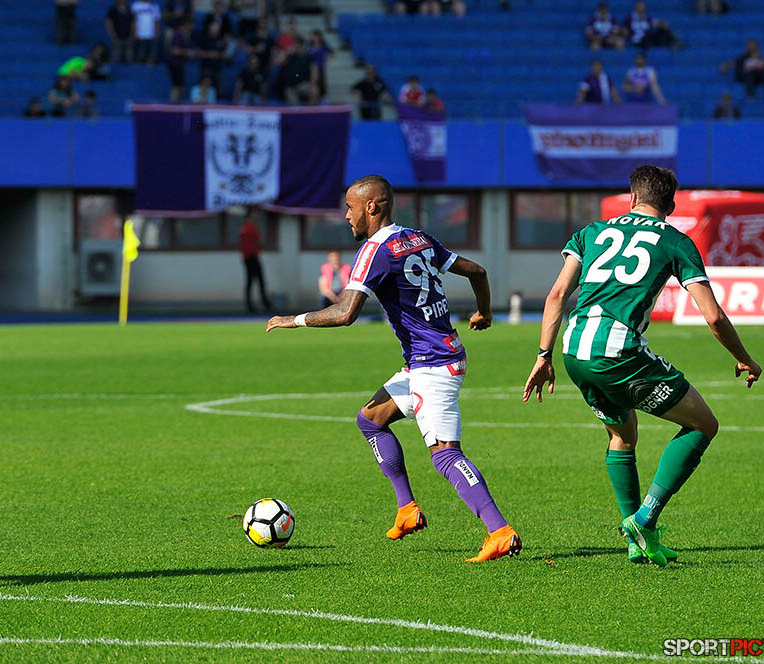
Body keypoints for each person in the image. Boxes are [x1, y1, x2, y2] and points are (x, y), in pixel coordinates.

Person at [266, 175, 522, 563]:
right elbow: (477, 272)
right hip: (432, 357)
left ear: (373, 206)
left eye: (350, 208)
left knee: (446, 456)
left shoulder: (374, 250)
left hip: (433, 366)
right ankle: (407, 509)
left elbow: (345, 312)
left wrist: (293, 320)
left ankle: (499, 531)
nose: (346, 216)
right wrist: (484, 311)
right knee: (370, 420)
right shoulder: (419, 238)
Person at [522, 165, 760, 567]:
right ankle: (645, 519)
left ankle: (637, 543)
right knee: (704, 424)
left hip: (573, 348)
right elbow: (714, 316)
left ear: (632, 198)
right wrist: (744, 358)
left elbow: (558, 293)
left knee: (623, 435)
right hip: (618, 352)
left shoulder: (592, 232)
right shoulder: (675, 241)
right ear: (670, 204)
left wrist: (543, 355)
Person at [240, 216, 271, 312]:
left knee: (250, 281)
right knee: (259, 281)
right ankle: (265, 304)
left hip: (247, 257)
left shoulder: (243, 228)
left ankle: (250, 305)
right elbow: (258, 240)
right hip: (252, 257)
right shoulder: (251, 228)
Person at [167, 19, 194, 101]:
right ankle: (173, 106)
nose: (191, 27)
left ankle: (177, 104)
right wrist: (187, 52)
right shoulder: (178, 35)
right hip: (175, 64)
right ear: (184, 26)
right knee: (176, 86)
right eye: (189, 25)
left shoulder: (184, 35)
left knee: (181, 86)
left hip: (179, 64)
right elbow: (174, 51)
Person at [131, 0, 161, 65]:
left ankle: (151, 72)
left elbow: (157, 21)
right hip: (140, 34)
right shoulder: (136, 5)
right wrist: (135, 33)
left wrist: (157, 32)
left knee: (152, 56)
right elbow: (133, 21)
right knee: (140, 56)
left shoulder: (154, 6)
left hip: (152, 34)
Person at [307, 30, 333, 101]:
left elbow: (331, 52)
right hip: (311, 68)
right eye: (313, 36)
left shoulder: (324, 46)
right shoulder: (309, 46)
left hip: (320, 67)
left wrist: (328, 57)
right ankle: (312, 97)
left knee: (321, 83)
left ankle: (321, 96)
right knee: (313, 84)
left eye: (316, 36)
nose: (315, 38)